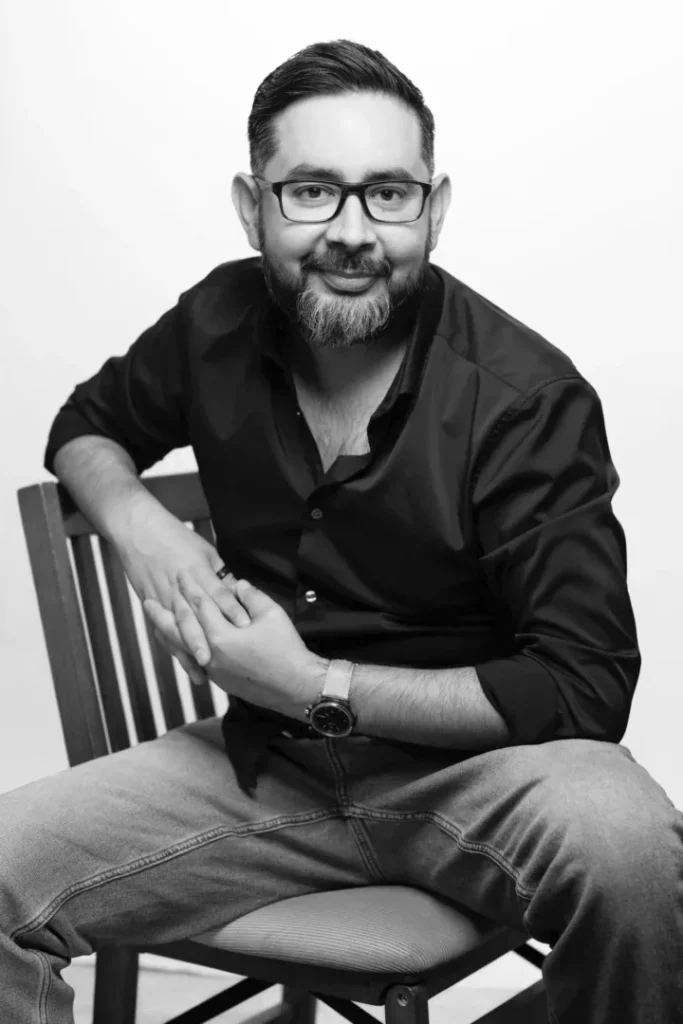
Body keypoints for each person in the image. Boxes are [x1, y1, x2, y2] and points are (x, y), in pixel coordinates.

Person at [2, 38, 681, 1024]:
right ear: (253, 205)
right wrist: (144, 528)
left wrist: (313, 686)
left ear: (433, 208)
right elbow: (85, 428)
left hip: (476, 781)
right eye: (311, 191)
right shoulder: (213, 323)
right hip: (258, 775)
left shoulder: (523, 398)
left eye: (389, 194)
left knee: (633, 855)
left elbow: (583, 685)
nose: (352, 231)